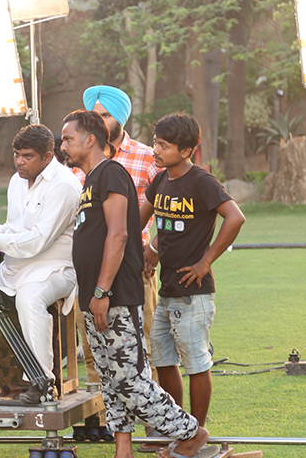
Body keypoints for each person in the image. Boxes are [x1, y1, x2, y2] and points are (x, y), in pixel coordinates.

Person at [61, 109, 210, 458]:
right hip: (93, 297)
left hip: (114, 296)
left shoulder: (111, 173)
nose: (63, 145)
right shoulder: (90, 180)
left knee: (131, 379)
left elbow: (119, 235)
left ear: (90, 140)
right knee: (110, 380)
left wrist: (102, 291)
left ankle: (191, 432)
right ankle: (123, 448)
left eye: (68, 138)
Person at [140, 112, 245, 431]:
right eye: (155, 143)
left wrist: (205, 262)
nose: (156, 150)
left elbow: (235, 217)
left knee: (196, 363)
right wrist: (151, 249)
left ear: (186, 150)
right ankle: (177, 427)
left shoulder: (202, 182)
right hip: (167, 289)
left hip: (194, 291)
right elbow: (141, 220)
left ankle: (196, 433)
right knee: (163, 360)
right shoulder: (161, 180)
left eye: (164, 145)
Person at [0, 123, 82, 404]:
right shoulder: (17, 181)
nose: (20, 161)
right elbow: (15, 228)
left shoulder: (64, 185)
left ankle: (43, 382)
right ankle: (23, 357)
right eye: (16, 154)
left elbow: (39, 239)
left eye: (27, 156)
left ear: (47, 156)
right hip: (16, 266)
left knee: (30, 298)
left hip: (56, 268)